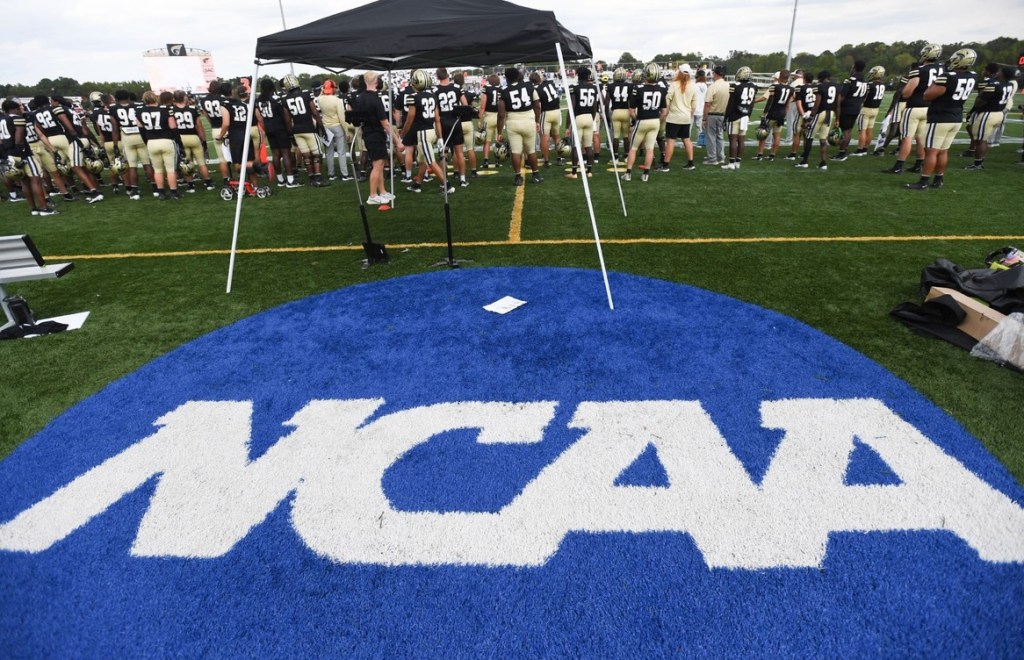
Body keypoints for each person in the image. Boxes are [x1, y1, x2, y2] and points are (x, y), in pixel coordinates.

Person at [905, 48, 977, 190]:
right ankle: (939, 179)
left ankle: (924, 181)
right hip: (956, 117)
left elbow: (927, 95)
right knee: (943, 151)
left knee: (931, 151)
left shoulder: (948, 77)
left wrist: (933, 84)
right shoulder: (972, 76)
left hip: (940, 117)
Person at [32, 95, 104, 202]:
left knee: (65, 167)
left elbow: (40, 129)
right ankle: (93, 189)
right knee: (81, 165)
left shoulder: (35, 114)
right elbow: (67, 124)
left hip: (50, 139)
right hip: (65, 137)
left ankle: (80, 189)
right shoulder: (57, 109)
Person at [888, 43, 944, 175]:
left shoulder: (919, 70)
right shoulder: (943, 69)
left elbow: (907, 92)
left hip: (915, 107)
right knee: (920, 137)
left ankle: (899, 166)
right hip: (929, 108)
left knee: (907, 137)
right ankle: (919, 164)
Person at [1, 99, 55, 215]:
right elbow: (19, 140)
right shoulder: (17, 119)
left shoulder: (2, 120)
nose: (21, 110)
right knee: (36, 180)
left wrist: (8, 156)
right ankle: (44, 208)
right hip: (23, 154)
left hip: (9, 154)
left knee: (24, 182)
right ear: (15, 109)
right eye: (19, 108)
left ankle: (34, 209)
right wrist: (23, 155)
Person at [356, 71, 403, 205]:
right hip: (375, 134)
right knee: (377, 166)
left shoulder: (359, 98)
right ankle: (372, 195)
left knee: (380, 164)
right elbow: (386, 124)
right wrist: (397, 142)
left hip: (368, 133)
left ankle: (382, 191)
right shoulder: (375, 99)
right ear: (376, 82)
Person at [402, 69, 452, 194]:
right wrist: (440, 137)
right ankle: (418, 184)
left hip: (423, 133)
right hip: (432, 131)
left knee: (430, 161)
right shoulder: (433, 96)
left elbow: (409, 120)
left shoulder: (413, 97)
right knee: (422, 160)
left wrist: (402, 134)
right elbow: (437, 119)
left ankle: (447, 185)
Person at [495, 66, 544, 186]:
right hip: (528, 119)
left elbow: (501, 114)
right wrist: (537, 121)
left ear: (506, 78)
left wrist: (499, 132)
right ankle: (536, 174)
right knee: (531, 150)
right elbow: (537, 105)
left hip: (513, 121)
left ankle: (518, 177)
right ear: (518, 76)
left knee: (516, 151)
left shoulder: (504, 91)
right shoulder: (529, 86)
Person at [621, 63, 667, 182]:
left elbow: (631, 111)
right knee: (650, 149)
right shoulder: (662, 89)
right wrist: (658, 120)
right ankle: (646, 175)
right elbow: (664, 112)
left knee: (633, 148)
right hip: (655, 121)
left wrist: (637, 119)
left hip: (642, 120)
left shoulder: (638, 89)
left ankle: (628, 173)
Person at [963, 65, 1012, 171]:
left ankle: (978, 164)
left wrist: (980, 97)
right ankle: (979, 162)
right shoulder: (1009, 84)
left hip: (988, 114)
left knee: (981, 140)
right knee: (983, 140)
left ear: (1003, 74)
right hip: (999, 113)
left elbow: (980, 102)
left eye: (1000, 71)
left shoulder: (994, 84)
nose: (998, 72)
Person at [281, 73, 327, 186]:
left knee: (306, 155)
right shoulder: (306, 95)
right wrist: (322, 128)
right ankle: (318, 178)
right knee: (317, 154)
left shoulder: (285, 100)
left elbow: (287, 120)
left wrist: (291, 134)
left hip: (296, 130)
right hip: (309, 128)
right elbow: (315, 113)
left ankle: (311, 178)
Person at [137, 90, 181, 200]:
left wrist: (147, 141)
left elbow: (141, 129)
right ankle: (174, 192)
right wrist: (179, 142)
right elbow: (173, 127)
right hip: (166, 140)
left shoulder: (139, 111)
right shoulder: (166, 110)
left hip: (151, 142)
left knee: (157, 169)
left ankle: (161, 192)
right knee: (170, 169)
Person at [256, 79, 299, 188]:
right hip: (279, 127)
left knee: (275, 154)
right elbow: (285, 116)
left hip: (269, 127)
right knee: (286, 153)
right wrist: (290, 131)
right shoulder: (277, 99)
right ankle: (290, 180)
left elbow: (260, 116)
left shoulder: (259, 99)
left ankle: (280, 180)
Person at [171, 91, 215, 191]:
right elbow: (199, 126)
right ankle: (208, 183)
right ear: (183, 98)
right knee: (201, 162)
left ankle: (190, 185)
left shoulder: (172, 110)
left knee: (187, 163)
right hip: (193, 137)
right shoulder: (192, 109)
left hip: (181, 138)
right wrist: (203, 140)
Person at [433, 67, 469, 187]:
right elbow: (465, 105)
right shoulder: (457, 88)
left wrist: (439, 135)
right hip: (455, 122)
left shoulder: (435, 90)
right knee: (459, 152)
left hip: (443, 123)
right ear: (448, 75)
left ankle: (445, 180)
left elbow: (436, 115)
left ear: (437, 77)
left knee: (443, 152)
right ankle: (463, 179)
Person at [795, 70, 837, 170]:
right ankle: (823, 163)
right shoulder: (836, 86)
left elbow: (817, 103)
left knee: (809, 137)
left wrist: (810, 117)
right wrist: (838, 118)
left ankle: (804, 161)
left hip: (820, 113)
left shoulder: (819, 86)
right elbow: (838, 104)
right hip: (830, 113)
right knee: (823, 140)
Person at [565, 65, 600, 179]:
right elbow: (595, 106)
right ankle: (589, 171)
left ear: (578, 75)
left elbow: (572, 106)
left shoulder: (574, 87)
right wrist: (592, 118)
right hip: (590, 117)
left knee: (576, 146)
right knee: (588, 146)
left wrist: (567, 126)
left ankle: (574, 172)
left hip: (578, 117)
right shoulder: (593, 88)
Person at [721, 66, 757, 170]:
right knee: (741, 140)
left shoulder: (735, 86)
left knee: (733, 140)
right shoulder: (754, 86)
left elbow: (730, 103)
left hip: (734, 116)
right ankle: (738, 162)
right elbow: (752, 103)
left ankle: (731, 163)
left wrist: (726, 117)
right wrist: (748, 115)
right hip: (745, 116)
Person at [753, 69, 792, 161]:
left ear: (780, 77)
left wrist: (765, 113)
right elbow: (788, 105)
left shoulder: (774, 87)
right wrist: (784, 115)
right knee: (777, 135)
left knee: (762, 134)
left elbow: (770, 101)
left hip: (771, 113)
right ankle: (772, 155)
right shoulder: (791, 89)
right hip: (781, 114)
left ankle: (760, 155)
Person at [832, 61, 868, 161]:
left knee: (844, 130)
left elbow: (842, 97)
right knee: (848, 130)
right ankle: (843, 151)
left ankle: (842, 154)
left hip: (847, 108)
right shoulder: (865, 81)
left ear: (854, 67)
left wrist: (836, 107)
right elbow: (864, 96)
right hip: (856, 108)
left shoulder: (850, 80)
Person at [663, 65, 697, 170]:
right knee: (687, 140)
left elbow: (667, 100)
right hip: (685, 117)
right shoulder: (692, 86)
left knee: (671, 141)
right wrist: (689, 116)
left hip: (674, 117)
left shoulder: (674, 85)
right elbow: (694, 105)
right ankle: (691, 163)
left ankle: (665, 165)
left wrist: (665, 113)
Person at [318, 79, 351, 182]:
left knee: (329, 152)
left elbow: (320, 94)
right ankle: (345, 174)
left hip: (326, 126)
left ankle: (331, 174)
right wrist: (346, 130)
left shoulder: (320, 99)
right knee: (341, 151)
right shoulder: (337, 100)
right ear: (332, 88)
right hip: (337, 126)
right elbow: (342, 117)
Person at [199, 81, 232, 183]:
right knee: (235, 155)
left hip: (215, 129)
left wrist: (213, 124)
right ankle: (240, 176)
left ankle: (226, 179)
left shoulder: (203, 100)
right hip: (227, 128)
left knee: (221, 159)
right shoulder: (223, 99)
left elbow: (206, 116)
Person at [853, 66, 886, 155]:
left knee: (862, 130)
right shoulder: (882, 85)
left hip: (866, 109)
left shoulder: (869, 85)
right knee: (870, 129)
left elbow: (864, 97)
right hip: (876, 109)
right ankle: (865, 148)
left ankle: (860, 149)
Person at [532, 71, 562, 167]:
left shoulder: (536, 89)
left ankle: (546, 160)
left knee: (545, 138)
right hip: (557, 111)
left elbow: (537, 105)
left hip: (546, 112)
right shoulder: (550, 83)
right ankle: (559, 158)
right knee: (556, 136)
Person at [453, 72, 479, 178]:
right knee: (470, 148)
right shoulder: (468, 94)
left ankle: (455, 172)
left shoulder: (451, 92)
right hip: (467, 122)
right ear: (463, 82)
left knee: (456, 150)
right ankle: (473, 171)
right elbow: (472, 109)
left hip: (456, 122)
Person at [702, 65, 728, 166]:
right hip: (723, 114)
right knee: (720, 136)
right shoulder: (728, 85)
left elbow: (708, 104)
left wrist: (704, 118)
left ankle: (712, 158)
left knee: (711, 137)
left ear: (715, 74)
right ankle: (721, 157)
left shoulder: (713, 86)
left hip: (713, 114)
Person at [787, 70, 816, 160]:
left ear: (804, 79)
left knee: (797, 134)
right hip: (812, 113)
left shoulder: (800, 88)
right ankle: (804, 153)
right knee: (807, 135)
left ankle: (793, 154)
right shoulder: (816, 87)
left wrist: (803, 115)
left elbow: (799, 104)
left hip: (803, 113)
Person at [606, 67, 633, 160]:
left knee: (616, 136)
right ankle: (626, 156)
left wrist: (606, 115)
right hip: (626, 111)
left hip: (616, 112)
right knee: (626, 136)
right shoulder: (630, 86)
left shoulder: (610, 86)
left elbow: (606, 102)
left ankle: (616, 157)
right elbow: (631, 101)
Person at [478, 74, 502, 169]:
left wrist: (480, 119)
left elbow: (483, 105)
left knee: (487, 141)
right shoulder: (501, 89)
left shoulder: (486, 89)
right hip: (499, 117)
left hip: (489, 116)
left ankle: (486, 160)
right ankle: (497, 160)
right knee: (498, 140)